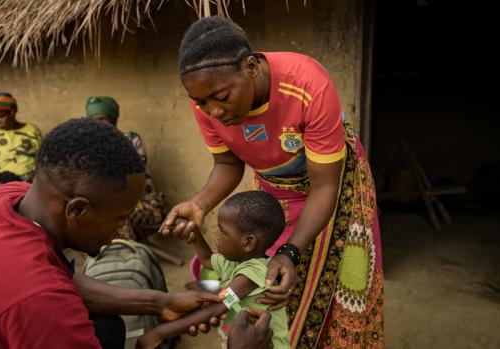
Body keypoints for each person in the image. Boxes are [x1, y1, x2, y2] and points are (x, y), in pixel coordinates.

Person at [0, 119, 222, 348]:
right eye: (118, 218)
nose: (121, 229)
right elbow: (45, 291)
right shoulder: (38, 299)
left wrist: (159, 304)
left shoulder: (5, 199)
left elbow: (63, 281)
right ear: (76, 210)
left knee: (108, 330)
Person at [160, 16, 384, 348]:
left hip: (336, 186)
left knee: (343, 286)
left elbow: (325, 187)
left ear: (250, 67)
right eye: (201, 103)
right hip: (273, 190)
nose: (214, 112)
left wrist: (291, 250)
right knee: (271, 286)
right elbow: (227, 163)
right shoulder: (206, 101)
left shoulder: (307, 84)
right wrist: (199, 204)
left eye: (221, 97)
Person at [138, 191, 290, 349]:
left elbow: (219, 307)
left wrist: (160, 332)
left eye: (223, 232)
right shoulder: (233, 261)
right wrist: (195, 232)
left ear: (248, 243)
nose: (217, 235)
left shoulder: (254, 272)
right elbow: (205, 260)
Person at [86, 96, 163, 240]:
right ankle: (102, 257)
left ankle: (124, 255)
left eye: (101, 119)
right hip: (106, 206)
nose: (96, 125)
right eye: (91, 120)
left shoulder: (130, 140)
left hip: (142, 204)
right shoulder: (88, 146)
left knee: (115, 211)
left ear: (113, 119)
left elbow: (129, 180)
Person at [0, 92, 42, 181]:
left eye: (1, 117)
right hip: (3, 181)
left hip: (29, 180)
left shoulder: (32, 130)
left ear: (12, 113)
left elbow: (41, 159)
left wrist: (32, 178)